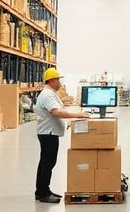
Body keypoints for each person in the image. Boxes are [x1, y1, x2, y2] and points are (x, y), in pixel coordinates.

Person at [34, 68, 89, 204]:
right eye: (58, 80)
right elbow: (57, 112)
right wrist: (78, 115)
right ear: (52, 80)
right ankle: (43, 193)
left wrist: (69, 122)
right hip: (48, 134)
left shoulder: (50, 93)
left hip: (50, 132)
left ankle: (42, 190)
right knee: (48, 163)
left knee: (45, 162)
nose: (59, 83)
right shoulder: (47, 95)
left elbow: (56, 114)